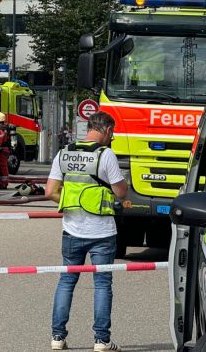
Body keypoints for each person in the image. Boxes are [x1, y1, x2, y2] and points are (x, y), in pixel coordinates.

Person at [45, 111, 127, 352]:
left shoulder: (65, 152)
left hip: (72, 230)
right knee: (102, 284)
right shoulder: (106, 155)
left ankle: (57, 337)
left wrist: (73, 203)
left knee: (66, 281)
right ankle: (101, 340)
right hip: (102, 232)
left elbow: (50, 191)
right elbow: (121, 193)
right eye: (112, 134)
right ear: (108, 131)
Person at [0, 112, 12, 189]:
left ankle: (3, 184)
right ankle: (2, 183)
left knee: (2, 167)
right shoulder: (5, 128)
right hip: (5, 150)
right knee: (3, 167)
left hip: (1, 151)